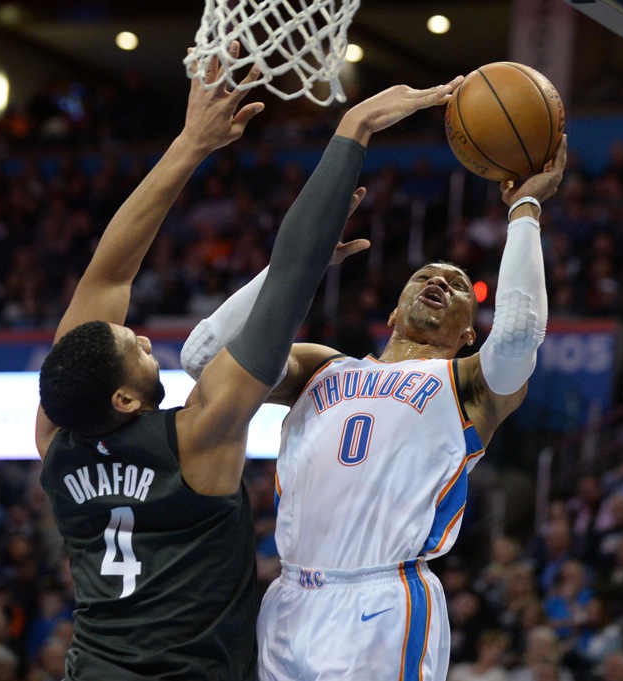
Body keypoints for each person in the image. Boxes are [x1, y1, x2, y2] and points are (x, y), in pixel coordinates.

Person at [34, 42, 462, 680]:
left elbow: (107, 276)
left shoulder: (55, 440)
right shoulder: (199, 435)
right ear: (124, 399)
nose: (146, 341)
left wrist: (192, 145)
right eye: (136, 350)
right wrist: (353, 128)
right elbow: (285, 278)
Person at [182, 132, 567, 678]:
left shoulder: (467, 383)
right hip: (288, 597)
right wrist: (297, 264)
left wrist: (524, 210)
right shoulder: (323, 367)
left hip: (383, 599)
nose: (439, 282)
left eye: (457, 287)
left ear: (467, 334)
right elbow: (204, 358)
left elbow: (520, 333)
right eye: (425, 277)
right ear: (391, 313)